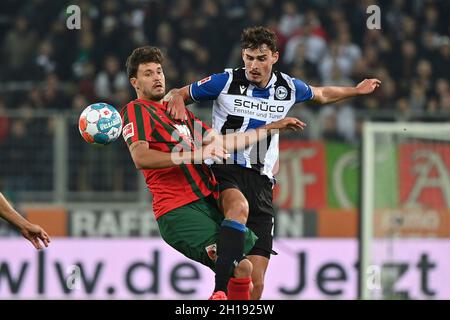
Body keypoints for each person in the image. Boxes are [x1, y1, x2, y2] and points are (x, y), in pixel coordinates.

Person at [165, 26, 381, 299]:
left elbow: (323, 94)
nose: (254, 65)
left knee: (256, 285)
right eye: (249, 58)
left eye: (261, 58)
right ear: (243, 56)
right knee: (237, 208)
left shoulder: (288, 87)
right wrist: (174, 94)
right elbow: (180, 94)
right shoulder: (225, 81)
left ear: (275, 57)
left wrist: (357, 91)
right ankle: (218, 291)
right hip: (225, 169)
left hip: (262, 181)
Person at [120, 46, 305, 300]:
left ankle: (219, 294)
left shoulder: (179, 114)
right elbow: (140, 157)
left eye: (159, 71)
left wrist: (271, 127)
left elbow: (224, 142)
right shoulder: (136, 110)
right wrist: (193, 155)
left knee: (244, 270)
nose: (157, 77)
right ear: (135, 82)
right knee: (239, 269)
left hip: (204, 203)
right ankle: (218, 292)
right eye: (148, 73)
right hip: (177, 211)